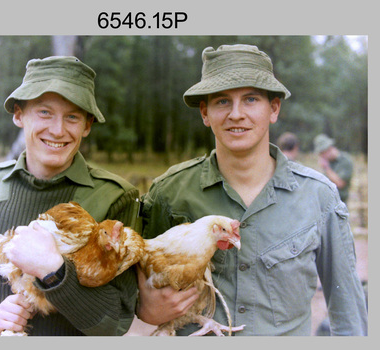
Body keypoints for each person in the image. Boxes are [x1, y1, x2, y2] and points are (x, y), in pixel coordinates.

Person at [137, 44, 367, 335]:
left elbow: (349, 313)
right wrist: (145, 307)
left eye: (250, 99)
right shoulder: (169, 194)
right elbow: (128, 285)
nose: (236, 114)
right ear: (205, 113)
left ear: (273, 109)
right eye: (222, 101)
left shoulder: (318, 197)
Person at [0, 56, 140, 336]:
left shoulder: (116, 198)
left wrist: (54, 271)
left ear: (87, 125)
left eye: (72, 116)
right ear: (19, 115)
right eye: (45, 112)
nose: (58, 130)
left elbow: (117, 321)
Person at [313, 134, 354, 204]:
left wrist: (326, 168)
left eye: (322, 153)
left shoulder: (345, 161)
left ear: (329, 149)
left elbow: (340, 183)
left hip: (340, 202)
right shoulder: (327, 162)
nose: (321, 157)